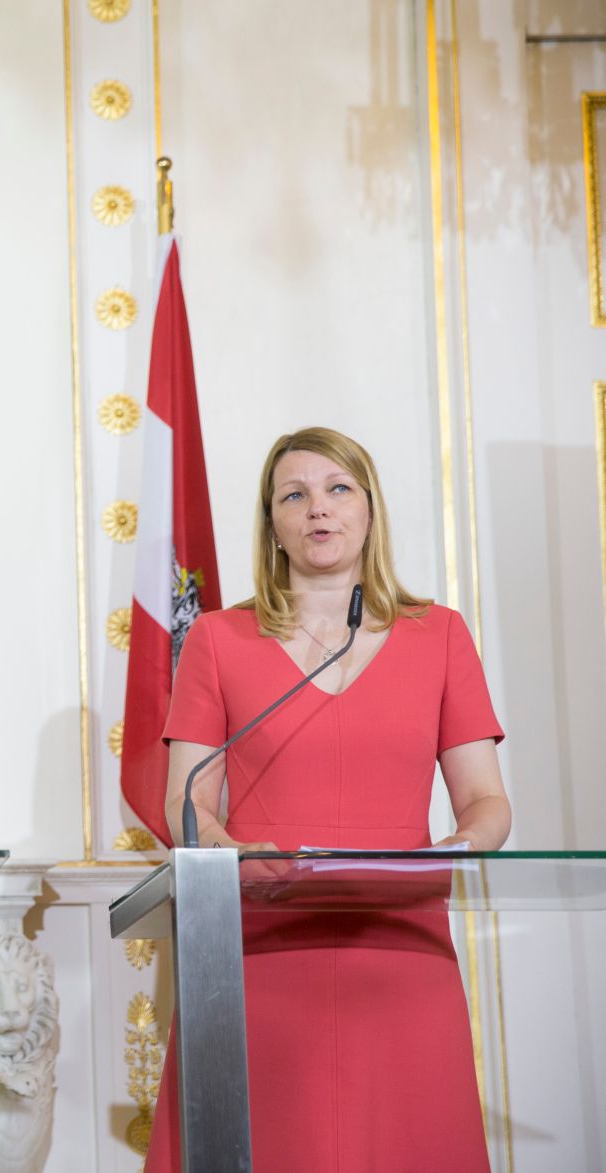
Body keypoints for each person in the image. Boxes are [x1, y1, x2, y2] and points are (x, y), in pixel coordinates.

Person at [147, 427, 510, 1173]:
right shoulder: (217, 639)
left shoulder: (439, 635)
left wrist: (448, 851)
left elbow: (486, 802)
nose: (319, 509)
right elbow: (185, 805)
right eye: (295, 494)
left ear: (370, 510)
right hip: (261, 948)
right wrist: (241, 855)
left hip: (400, 949)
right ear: (272, 523)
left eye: (338, 488)